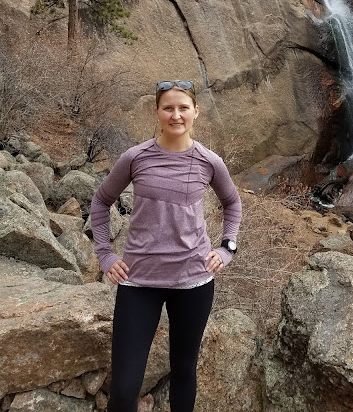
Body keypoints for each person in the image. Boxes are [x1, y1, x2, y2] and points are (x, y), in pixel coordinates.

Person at [90, 80, 242, 412]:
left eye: (183, 108)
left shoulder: (209, 161)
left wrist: (227, 248)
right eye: (168, 108)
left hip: (193, 282)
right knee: (125, 389)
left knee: (184, 372)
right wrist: (104, 254)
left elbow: (232, 203)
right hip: (139, 281)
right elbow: (101, 202)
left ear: (196, 112)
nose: (176, 115)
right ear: (157, 112)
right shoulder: (135, 157)